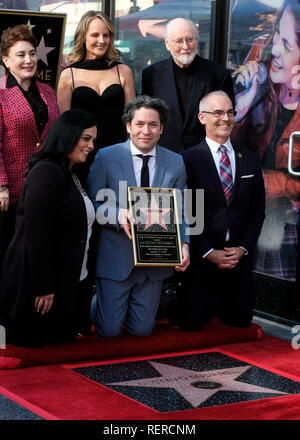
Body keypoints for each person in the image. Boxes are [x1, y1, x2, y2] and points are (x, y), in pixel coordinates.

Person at [87, 95, 190, 338]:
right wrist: (117, 214)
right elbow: (92, 204)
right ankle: (96, 301)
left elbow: (182, 209)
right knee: (108, 332)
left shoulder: (175, 162)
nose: (146, 131)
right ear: (128, 126)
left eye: (153, 125)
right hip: (115, 258)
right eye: (140, 124)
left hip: (155, 260)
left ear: (161, 128)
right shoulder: (106, 157)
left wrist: (184, 243)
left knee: (142, 332)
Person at [169, 91, 265, 331]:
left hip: (237, 261)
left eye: (230, 112)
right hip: (201, 260)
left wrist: (243, 249)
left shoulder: (251, 159)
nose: (226, 118)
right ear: (202, 117)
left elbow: (257, 211)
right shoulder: (186, 159)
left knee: (240, 322)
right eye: (218, 112)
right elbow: (184, 211)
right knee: (190, 324)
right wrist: (208, 251)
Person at [0, 109, 97, 347]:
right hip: (37, 291)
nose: (91, 146)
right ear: (67, 136)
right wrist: (43, 287)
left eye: (93, 140)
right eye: (86, 138)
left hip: (65, 283)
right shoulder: (46, 173)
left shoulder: (70, 173)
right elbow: (36, 234)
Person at [232, 0, 300, 281]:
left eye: (287, 43)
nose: (275, 50)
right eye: (276, 37)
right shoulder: (263, 85)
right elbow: (226, 153)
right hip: (254, 214)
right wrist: (243, 106)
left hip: (289, 220)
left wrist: (271, 182)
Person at [0, 24, 59, 266]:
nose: (29, 60)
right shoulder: (1, 94)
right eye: (21, 54)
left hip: (46, 190)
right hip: (12, 194)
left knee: (40, 258)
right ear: (5, 60)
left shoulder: (48, 92)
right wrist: (1, 185)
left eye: (32, 53)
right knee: (11, 260)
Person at [57, 10, 135, 183]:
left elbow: (131, 119)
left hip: (117, 153)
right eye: (95, 35)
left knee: (116, 206)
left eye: (105, 35)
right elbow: (66, 126)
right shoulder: (68, 75)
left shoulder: (123, 71)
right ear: (83, 37)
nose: (101, 41)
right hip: (81, 157)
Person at [142, 17, 234, 153]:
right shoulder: (151, 75)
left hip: (206, 156)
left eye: (190, 39)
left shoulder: (218, 74)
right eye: (179, 41)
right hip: (165, 155)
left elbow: (227, 118)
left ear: (196, 41)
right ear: (167, 43)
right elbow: (147, 117)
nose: (185, 46)